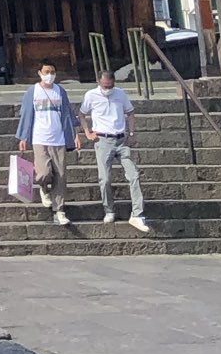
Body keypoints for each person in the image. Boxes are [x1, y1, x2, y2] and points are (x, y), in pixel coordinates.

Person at [79, 70, 153, 233]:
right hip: (102, 140)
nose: (108, 89)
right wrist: (87, 132)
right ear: (99, 82)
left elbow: (130, 112)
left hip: (121, 139)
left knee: (134, 175)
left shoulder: (120, 94)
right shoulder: (91, 95)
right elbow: (82, 114)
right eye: (105, 86)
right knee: (104, 178)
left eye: (110, 86)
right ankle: (109, 209)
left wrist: (132, 133)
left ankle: (137, 213)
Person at [15, 59, 75, 226]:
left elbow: (68, 115)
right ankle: (43, 189)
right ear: (40, 73)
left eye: (52, 72)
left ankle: (60, 210)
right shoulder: (32, 92)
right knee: (43, 173)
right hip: (40, 138)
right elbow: (26, 115)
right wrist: (23, 137)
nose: (50, 75)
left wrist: (74, 135)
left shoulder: (60, 92)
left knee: (61, 175)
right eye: (47, 72)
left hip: (59, 138)